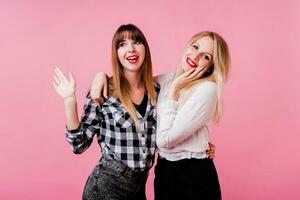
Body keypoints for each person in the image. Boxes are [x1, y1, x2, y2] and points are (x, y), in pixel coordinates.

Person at [90, 31, 228, 200]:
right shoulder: (165, 81)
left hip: (192, 175)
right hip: (164, 172)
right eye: (195, 47)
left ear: (212, 66)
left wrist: (174, 92)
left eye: (206, 56)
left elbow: (164, 141)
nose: (196, 56)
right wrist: (101, 76)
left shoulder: (207, 89)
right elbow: (133, 83)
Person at [53, 24, 159, 200]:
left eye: (137, 42)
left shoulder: (157, 91)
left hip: (139, 187)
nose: (131, 49)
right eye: (122, 44)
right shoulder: (103, 90)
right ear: (116, 54)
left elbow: (170, 132)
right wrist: (69, 101)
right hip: (106, 188)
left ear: (145, 48)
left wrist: (199, 146)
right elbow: (78, 144)